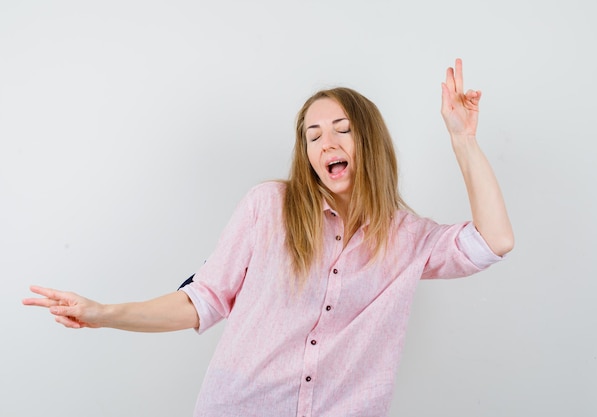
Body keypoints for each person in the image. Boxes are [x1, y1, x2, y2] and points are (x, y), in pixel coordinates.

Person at [23, 58, 514, 417]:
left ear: (370, 141)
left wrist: (462, 140)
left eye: (342, 130)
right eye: (313, 135)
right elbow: (203, 299)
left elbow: (494, 241)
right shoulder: (268, 207)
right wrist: (104, 314)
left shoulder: (406, 238)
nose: (328, 143)